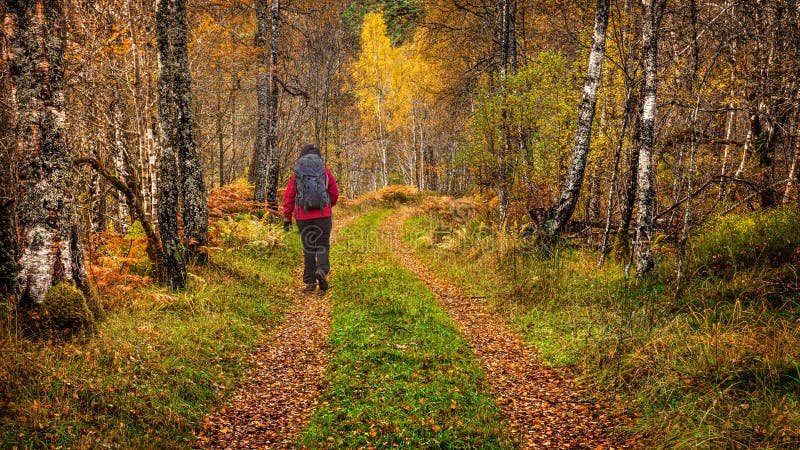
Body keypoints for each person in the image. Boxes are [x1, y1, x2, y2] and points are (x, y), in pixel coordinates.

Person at [283, 144, 339, 292]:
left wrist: (287, 218)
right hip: (323, 216)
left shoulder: (297, 175)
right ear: (319, 157)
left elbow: (289, 197)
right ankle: (321, 269)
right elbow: (334, 194)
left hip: (303, 217)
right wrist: (327, 206)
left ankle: (310, 282)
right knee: (322, 244)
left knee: (308, 247)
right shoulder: (325, 173)